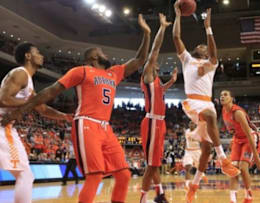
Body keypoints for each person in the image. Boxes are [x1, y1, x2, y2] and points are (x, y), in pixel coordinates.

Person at [2, 14, 151, 203]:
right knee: (95, 175)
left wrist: (147, 34)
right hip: (86, 124)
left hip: (106, 127)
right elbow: (50, 91)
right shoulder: (81, 71)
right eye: (102, 52)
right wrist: (21, 110)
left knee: (124, 174)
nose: (105, 54)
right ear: (94, 57)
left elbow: (140, 59)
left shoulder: (114, 73)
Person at [172, 1, 240, 202]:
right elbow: (176, 37)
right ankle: (224, 160)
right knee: (211, 115)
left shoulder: (211, 63)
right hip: (193, 103)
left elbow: (214, 53)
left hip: (207, 102)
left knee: (206, 150)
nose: (200, 45)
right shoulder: (187, 59)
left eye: (203, 45)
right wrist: (177, 15)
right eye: (199, 45)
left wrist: (208, 27)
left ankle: (193, 186)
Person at [0, 42, 72, 203]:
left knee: (25, 174)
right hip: (2, 126)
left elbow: (43, 109)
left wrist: (65, 116)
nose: (42, 56)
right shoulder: (20, 73)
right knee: (25, 174)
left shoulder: (28, 81)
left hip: (6, 126)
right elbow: (3, 99)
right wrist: (28, 104)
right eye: (37, 52)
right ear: (28, 56)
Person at [139, 13, 177, 203]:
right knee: (152, 165)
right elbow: (155, 50)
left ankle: (160, 195)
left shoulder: (157, 82)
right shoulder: (147, 74)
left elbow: (161, 90)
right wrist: (162, 28)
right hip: (152, 120)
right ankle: (143, 199)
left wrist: (171, 81)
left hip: (159, 123)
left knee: (154, 163)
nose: (156, 64)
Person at [220, 90, 260, 203]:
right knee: (233, 169)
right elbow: (234, 129)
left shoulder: (237, 113)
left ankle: (248, 195)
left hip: (250, 138)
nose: (222, 97)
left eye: (225, 95)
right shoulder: (224, 111)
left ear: (232, 98)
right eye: (221, 95)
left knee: (243, 168)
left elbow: (249, 134)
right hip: (238, 139)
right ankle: (232, 200)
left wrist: (257, 157)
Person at [182, 121, 208, 190]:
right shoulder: (186, 131)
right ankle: (187, 184)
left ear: (195, 125)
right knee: (188, 167)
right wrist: (183, 145)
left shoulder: (198, 132)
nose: (191, 124)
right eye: (190, 123)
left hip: (197, 151)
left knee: (199, 168)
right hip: (188, 151)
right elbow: (186, 140)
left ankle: (202, 175)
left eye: (192, 123)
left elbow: (203, 142)